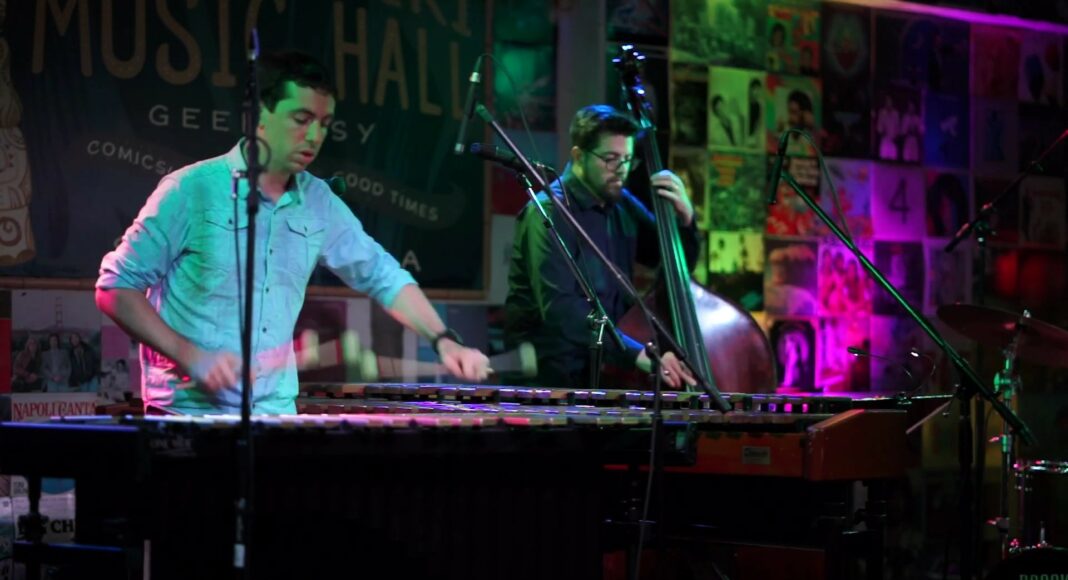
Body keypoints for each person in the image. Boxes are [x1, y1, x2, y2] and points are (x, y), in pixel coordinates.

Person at [96, 52, 489, 415]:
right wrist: (191, 356)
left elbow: (382, 275)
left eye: (324, 124)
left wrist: (443, 339)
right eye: (301, 119)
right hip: (187, 415)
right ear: (259, 115)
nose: (315, 136)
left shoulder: (319, 202)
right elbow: (115, 288)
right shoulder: (190, 190)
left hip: (274, 414)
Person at [504, 105, 699, 389]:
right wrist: (635, 353)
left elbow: (672, 265)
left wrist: (686, 221)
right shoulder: (547, 211)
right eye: (610, 159)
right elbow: (561, 310)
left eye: (627, 160)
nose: (621, 170)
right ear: (578, 156)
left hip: (605, 372)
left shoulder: (622, 204)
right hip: (551, 382)